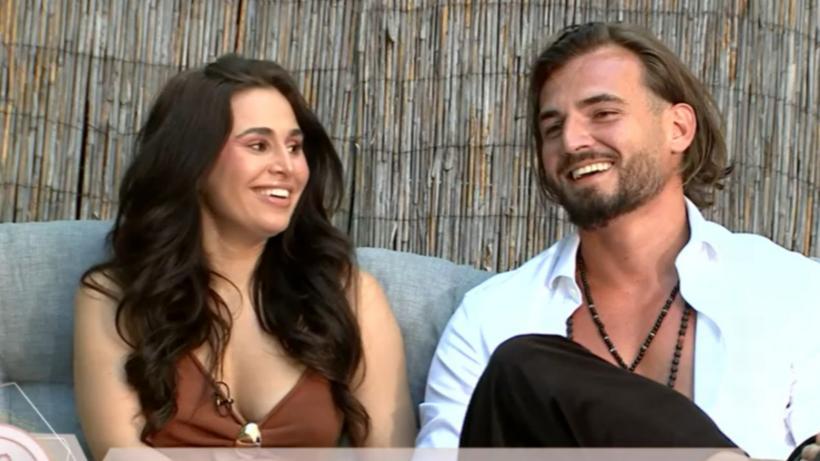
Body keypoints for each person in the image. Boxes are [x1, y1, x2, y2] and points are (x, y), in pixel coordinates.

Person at [416, 22, 820, 461]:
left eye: (603, 113)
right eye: (552, 127)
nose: (572, 141)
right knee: (522, 366)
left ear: (678, 128)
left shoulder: (791, 290)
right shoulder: (491, 317)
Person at [74, 54, 415, 460]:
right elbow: (121, 453)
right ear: (193, 162)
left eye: (294, 147)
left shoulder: (351, 296)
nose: (287, 167)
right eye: (258, 145)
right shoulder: (115, 296)